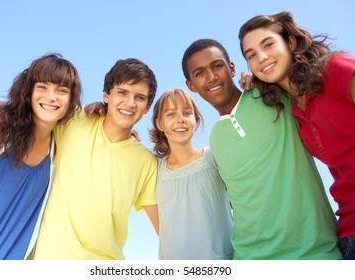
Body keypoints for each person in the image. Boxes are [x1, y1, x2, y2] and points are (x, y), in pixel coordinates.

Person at [182, 38, 342, 259]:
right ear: (191, 85)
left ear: (231, 68)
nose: (211, 77)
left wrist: (260, 79)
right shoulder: (215, 141)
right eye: (199, 73)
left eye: (217, 66)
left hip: (317, 254)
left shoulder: (273, 94)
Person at [238, 11, 355, 260]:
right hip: (348, 233)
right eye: (251, 55)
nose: (262, 57)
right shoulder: (290, 108)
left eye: (268, 44)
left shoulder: (334, 70)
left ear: (290, 43)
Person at [30, 58, 159, 260]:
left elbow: (165, 230)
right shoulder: (74, 118)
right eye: (122, 93)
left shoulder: (147, 162)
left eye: (140, 97)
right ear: (106, 96)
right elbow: (24, 112)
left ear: (148, 106)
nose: (130, 103)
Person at [0, 53, 82, 259]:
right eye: (42, 87)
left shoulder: (57, 143)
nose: (51, 97)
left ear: (71, 100)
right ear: (29, 91)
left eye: (62, 90)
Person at [148, 87, 233, 260]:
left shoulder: (213, 156)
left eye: (187, 113)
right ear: (159, 123)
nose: (180, 120)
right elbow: (162, 230)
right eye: (171, 114)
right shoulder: (154, 169)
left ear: (196, 118)